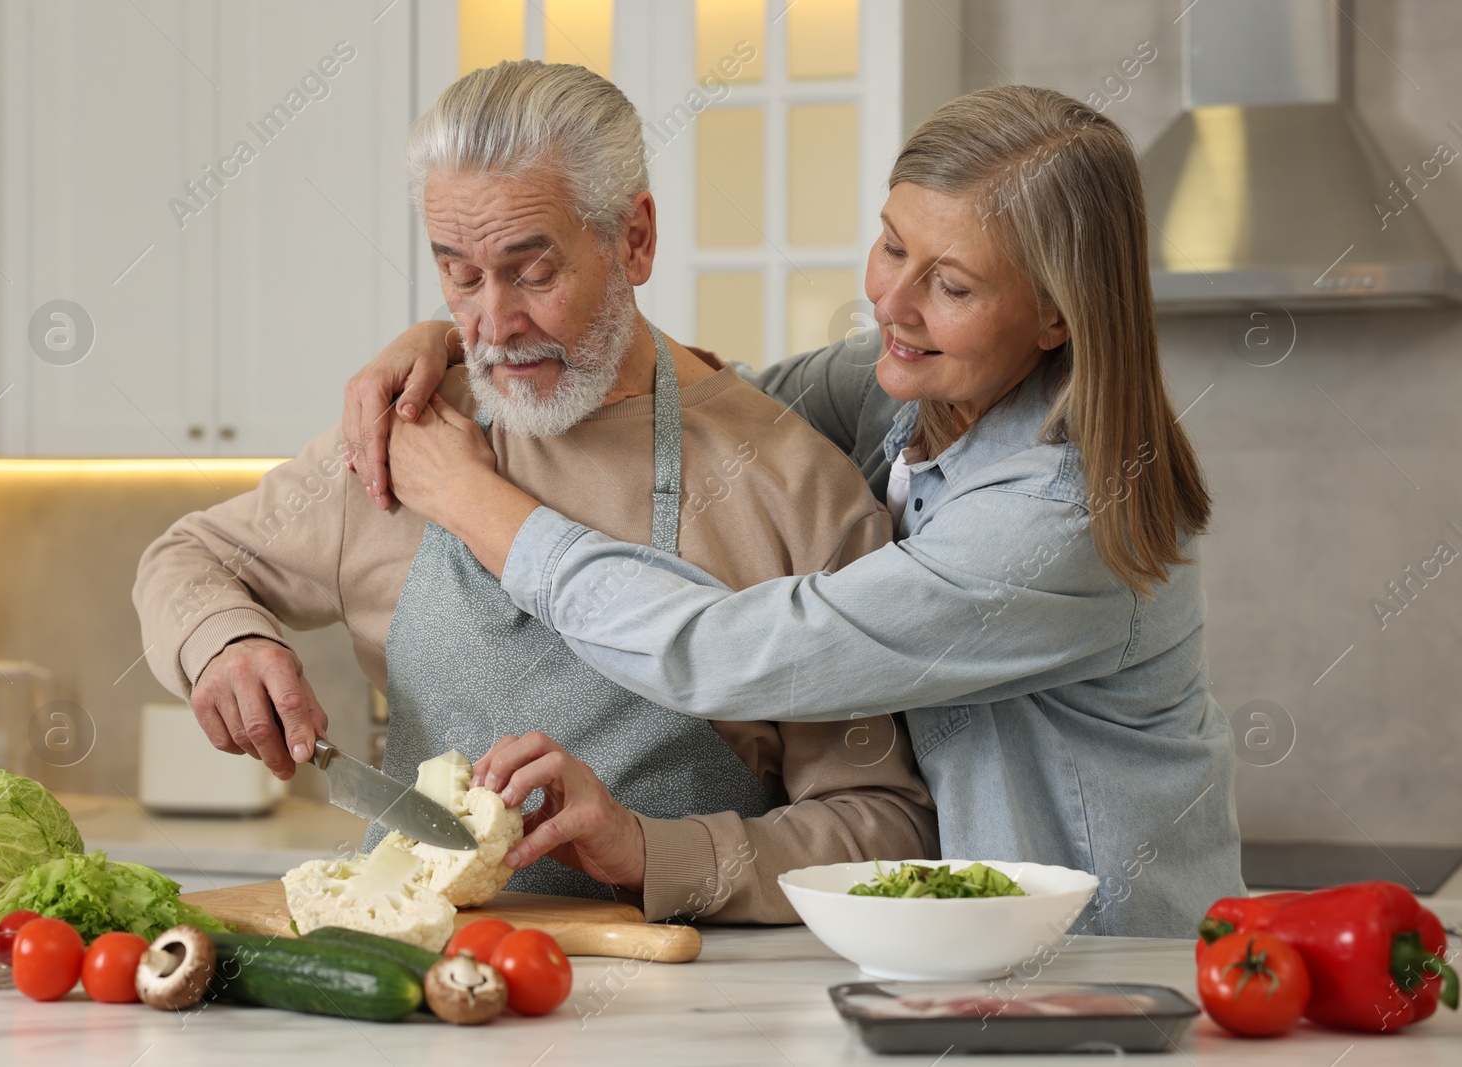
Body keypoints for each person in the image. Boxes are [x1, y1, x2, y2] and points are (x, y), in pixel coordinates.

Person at [341, 84, 1246, 938]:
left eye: (953, 286)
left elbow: (722, 653)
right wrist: (470, 336)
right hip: (970, 957)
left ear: (1056, 315)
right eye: (892, 246)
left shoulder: (1057, 519)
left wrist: (470, 497)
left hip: (1108, 963)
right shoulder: (899, 386)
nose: (891, 302)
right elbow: (696, 407)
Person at [133, 60, 934, 924]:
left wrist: (647, 848)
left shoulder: (797, 489)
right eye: (460, 275)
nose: (492, 326)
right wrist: (224, 644)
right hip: (416, 1002)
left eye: (531, 271)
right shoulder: (406, 431)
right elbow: (189, 557)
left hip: (685, 1012)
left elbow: (883, 829)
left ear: (634, 240)